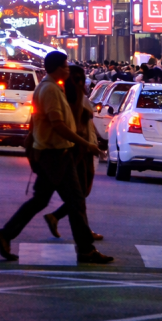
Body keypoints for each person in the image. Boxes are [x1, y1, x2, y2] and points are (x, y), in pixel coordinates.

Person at [0, 51, 112, 265]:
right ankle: (85, 250)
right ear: (57, 67)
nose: (68, 69)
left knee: (41, 200)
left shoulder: (54, 88)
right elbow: (58, 125)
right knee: (75, 201)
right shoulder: (50, 90)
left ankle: (5, 234)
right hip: (56, 155)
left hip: (54, 154)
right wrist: (86, 144)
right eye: (65, 66)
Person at [44, 65, 104, 242]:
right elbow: (73, 127)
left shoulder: (80, 96)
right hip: (78, 149)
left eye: (81, 78)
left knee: (80, 193)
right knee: (78, 194)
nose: (79, 82)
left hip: (86, 148)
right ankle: (81, 234)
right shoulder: (68, 98)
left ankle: (57, 218)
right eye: (75, 78)